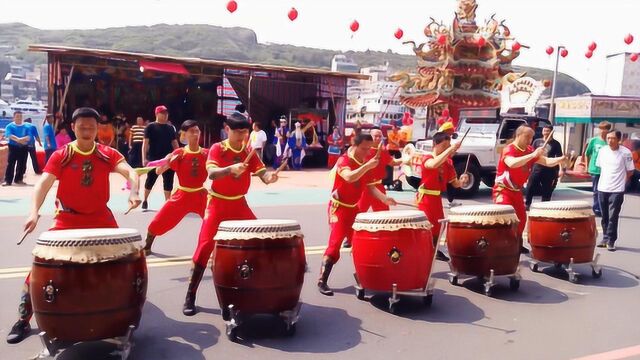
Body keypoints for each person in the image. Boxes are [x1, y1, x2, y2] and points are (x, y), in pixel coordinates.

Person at [5, 107, 141, 344]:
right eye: (82, 126)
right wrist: (34, 213)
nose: (87, 130)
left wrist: (134, 191)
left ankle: (122, 311)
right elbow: (43, 185)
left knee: (127, 257)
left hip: (101, 217)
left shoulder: (107, 153)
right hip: (67, 218)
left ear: (98, 129)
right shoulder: (62, 155)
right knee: (42, 263)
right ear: (73, 127)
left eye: (91, 126)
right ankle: (23, 318)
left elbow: (130, 172)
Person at [183, 112, 279, 316]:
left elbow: (262, 172)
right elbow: (211, 173)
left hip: (239, 205)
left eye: (244, 132)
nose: (241, 136)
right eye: (237, 132)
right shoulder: (218, 148)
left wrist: (269, 177)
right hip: (217, 204)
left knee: (259, 239)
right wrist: (230, 169)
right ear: (227, 130)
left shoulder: (249, 151)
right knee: (204, 247)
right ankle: (190, 295)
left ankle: (259, 288)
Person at [317, 133, 396, 296]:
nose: (367, 152)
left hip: (353, 209)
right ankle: (322, 280)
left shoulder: (365, 162)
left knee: (361, 243)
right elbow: (349, 177)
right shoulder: (344, 160)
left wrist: (385, 198)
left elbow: (370, 187)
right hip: (338, 208)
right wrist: (367, 166)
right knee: (335, 243)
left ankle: (366, 277)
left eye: (369, 149)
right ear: (354, 144)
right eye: (364, 148)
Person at [493, 125, 567, 254]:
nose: (530, 139)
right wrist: (533, 154)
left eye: (531, 137)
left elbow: (546, 161)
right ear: (518, 135)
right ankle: (501, 245)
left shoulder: (528, 149)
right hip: (503, 189)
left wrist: (560, 159)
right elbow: (512, 163)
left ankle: (517, 242)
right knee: (505, 218)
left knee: (521, 218)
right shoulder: (509, 149)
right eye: (527, 136)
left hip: (516, 191)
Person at [143, 120, 208, 255]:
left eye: (197, 131)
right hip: (182, 195)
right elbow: (158, 172)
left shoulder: (206, 153)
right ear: (184, 135)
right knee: (159, 220)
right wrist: (168, 161)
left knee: (215, 222)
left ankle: (220, 248)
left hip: (201, 195)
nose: (195, 134)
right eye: (191, 132)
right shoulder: (179, 153)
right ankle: (147, 246)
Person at [417, 131, 469, 261]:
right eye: (444, 145)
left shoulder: (448, 163)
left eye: (448, 145)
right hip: (425, 197)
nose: (447, 148)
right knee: (427, 225)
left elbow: (455, 183)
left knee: (440, 226)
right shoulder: (427, 158)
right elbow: (433, 164)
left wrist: (463, 181)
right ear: (435, 144)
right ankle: (424, 249)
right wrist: (450, 150)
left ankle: (433, 248)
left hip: (436, 198)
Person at [595, 131, 634, 251]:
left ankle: (611, 240)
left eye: (612, 138)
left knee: (613, 216)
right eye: (608, 138)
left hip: (617, 189)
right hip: (603, 187)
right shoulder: (603, 151)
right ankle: (605, 237)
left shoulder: (625, 153)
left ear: (619, 140)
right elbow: (600, 166)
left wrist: (623, 183)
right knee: (604, 215)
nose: (610, 141)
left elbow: (630, 171)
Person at [357, 127, 402, 214]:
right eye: (375, 136)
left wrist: (406, 159)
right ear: (370, 137)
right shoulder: (363, 150)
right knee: (357, 214)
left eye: (380, 136)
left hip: (378, 186)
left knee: (384, 215)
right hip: (365, 187)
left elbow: (392, 162)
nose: (378, 138)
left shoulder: (383, 151)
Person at [141, 105, 179, 210]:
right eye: (163, 113)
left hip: (168, 159)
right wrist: (144, 158)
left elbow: (174, 143)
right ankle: (145, 200)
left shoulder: (170, 128)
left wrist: (178, 154)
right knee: (150, 180)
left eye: (166, 113)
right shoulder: (150, 127)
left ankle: (167, 203)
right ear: (157, 114)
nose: (165, 115)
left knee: (168, 180)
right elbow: (145, 144)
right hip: (154, 158)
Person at [525, 125, 564, 210]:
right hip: (536, 168)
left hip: (550, 169)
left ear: (551, 132)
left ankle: (544, 206)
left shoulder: (556, 144)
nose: (546, 132)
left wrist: (561, 170)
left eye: (548, 131)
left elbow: (559, 157)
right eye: (544, 130)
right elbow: (531, 155)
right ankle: (527, 204)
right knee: (530, 186)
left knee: (547, 189)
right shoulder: (537, 142)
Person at [584, 121, 611, 216]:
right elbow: (587, 154)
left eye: (605, 129)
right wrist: (587, 166)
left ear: (608, 130)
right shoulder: (594, 140)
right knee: (596, 190)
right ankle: (596, 208)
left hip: (606, 170)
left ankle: (603, 207)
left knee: (604, 190)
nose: (603, 131)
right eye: (601, 129)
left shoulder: (609, 141)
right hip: (595, 169)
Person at [2, 111, 30, 186]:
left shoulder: (26, 126)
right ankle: (8, 180)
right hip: (13, 147)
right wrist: (19, 140)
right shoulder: (10, 126)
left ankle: (18, 179)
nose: (19, 118)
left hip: (23, 147)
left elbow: (29, 136)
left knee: (22, 164)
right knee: (10, 164)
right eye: (17, 116)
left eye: (20, 116)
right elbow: (9, 135)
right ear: (14, 117)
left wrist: (21, 140)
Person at [438, 122, 461, 208]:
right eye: (450, 132)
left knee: (450, 183)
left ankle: (451, 201)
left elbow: (450, 155)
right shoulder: (444, 142)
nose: (452, 134)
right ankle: (449, 201)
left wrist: (454, 149)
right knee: (449, 182)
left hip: (447, 164)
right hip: (444, 165)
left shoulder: (445, 141)